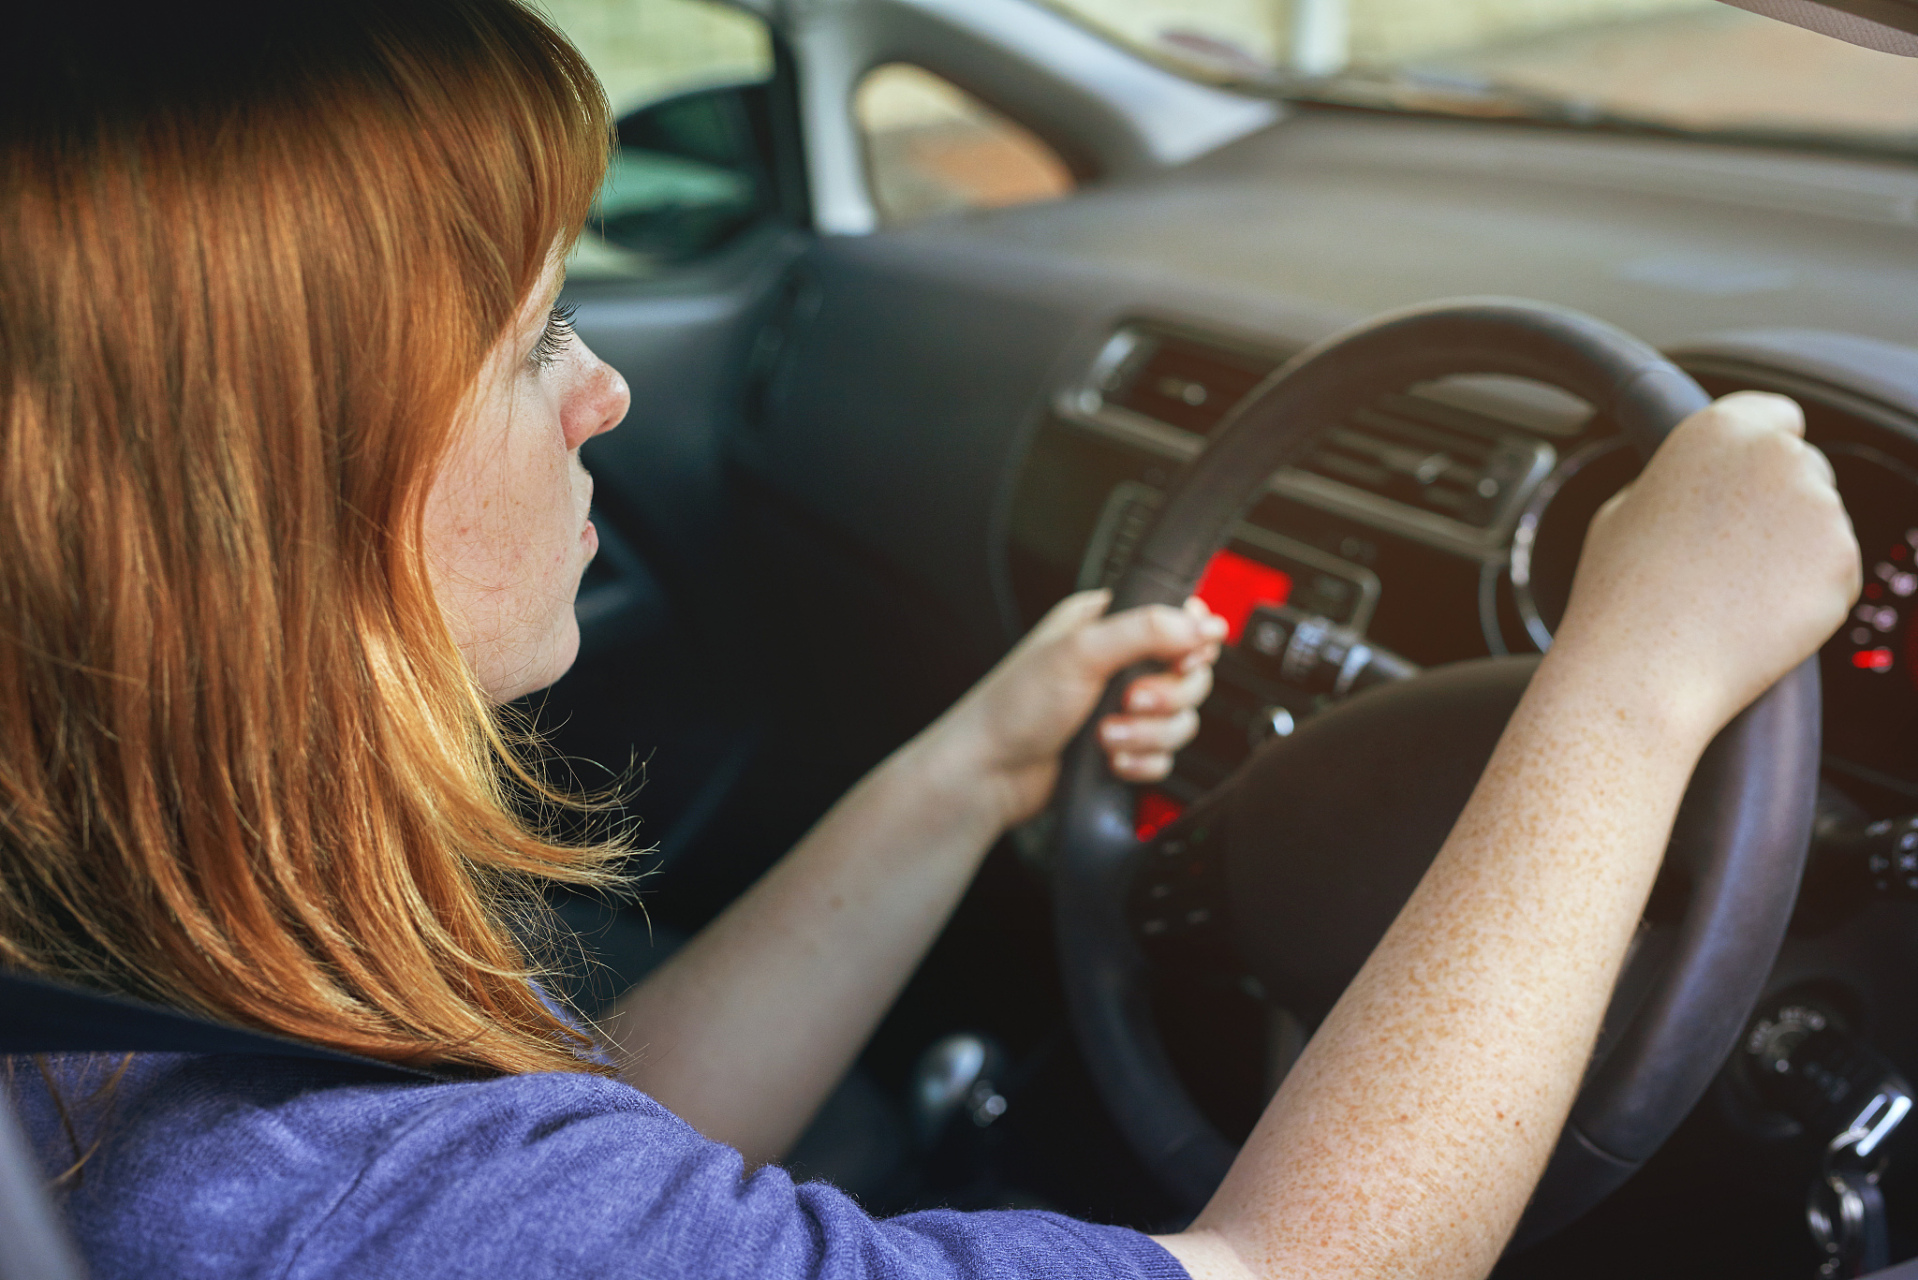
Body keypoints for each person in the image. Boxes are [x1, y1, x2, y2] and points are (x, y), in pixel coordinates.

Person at [0, 3, 1860, 1279]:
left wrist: (973, 764)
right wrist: (1636, 678)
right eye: (533, 341)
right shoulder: (345, 1208)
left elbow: (597, 1137)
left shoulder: (135, 982)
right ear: (269, 517)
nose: (607, 389)